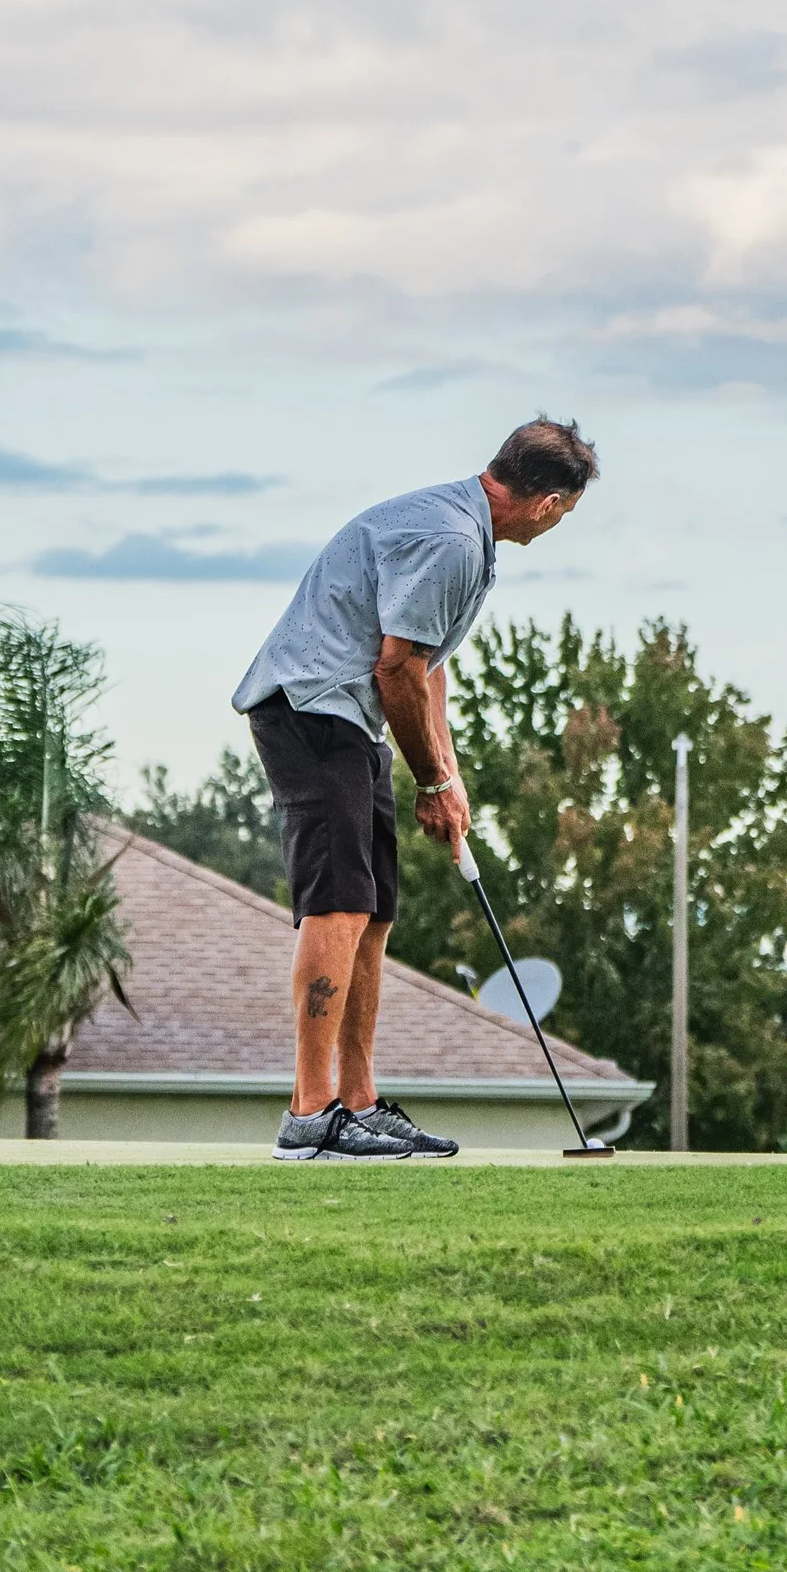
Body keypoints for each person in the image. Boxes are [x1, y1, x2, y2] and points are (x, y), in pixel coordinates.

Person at [230, 416, 598, 1160]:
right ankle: (310, 1116)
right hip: (310, 709)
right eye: (566, 512)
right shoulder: (453, 539)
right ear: (549, 503)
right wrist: (429, 780)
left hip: (351, 720)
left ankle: (359, 1105)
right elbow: (395, 668)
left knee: (373, 914)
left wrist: (448, 779)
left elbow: (426, 667)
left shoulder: (467, 535)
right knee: (338, 903)